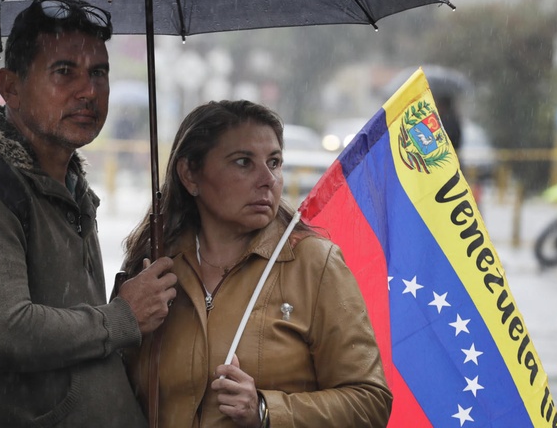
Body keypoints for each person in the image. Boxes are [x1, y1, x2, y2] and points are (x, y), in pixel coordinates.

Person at [0, 0, 176, 426]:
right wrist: (122, 317)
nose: (88, 91)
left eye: (99, 73)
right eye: (64, 72)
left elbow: (72, 322)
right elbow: (5, 333)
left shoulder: (69, 185)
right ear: (11, 87)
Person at [122, 100, 392, 427]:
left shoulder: (315, 264)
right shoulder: (154, 266)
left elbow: (371, 401)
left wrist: (266, 410)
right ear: (190, 175)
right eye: (243, 162)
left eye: (274, 162)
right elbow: (116, 389)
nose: (268, 179)